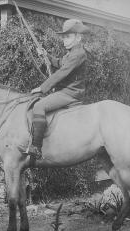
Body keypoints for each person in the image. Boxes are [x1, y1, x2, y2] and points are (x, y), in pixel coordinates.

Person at [26, 19, 90, 159]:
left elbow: (62, 72)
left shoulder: (78, 54)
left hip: (70, 93)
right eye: (63, 37)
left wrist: (42, 88)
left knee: (39, 107)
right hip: (66, 91)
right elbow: (59, 63)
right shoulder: (72, 53)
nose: (64, 40)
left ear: (78, 37)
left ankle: (36, 147)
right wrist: (46, 55)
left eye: (68, 37)